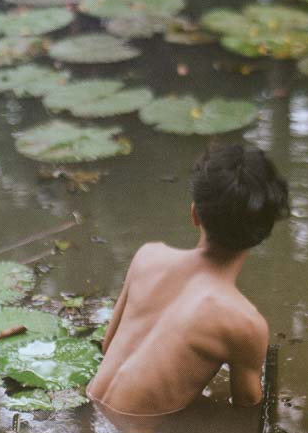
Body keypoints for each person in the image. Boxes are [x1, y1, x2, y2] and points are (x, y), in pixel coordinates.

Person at [86, 141, 289, 417]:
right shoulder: (244, 323)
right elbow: (247, 409)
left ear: (194, 213)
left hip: (91, 406)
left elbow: (108, 346)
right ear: (262, 233)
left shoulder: (148, 257)